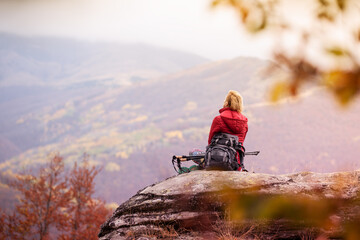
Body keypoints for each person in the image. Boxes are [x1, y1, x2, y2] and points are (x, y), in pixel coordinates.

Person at [208, 90, 248, 171]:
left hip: (218, 160)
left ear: (226, 103)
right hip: (236, 162)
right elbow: (241, 142)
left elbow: (210, 141)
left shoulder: (218, 119)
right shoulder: (244, 122)